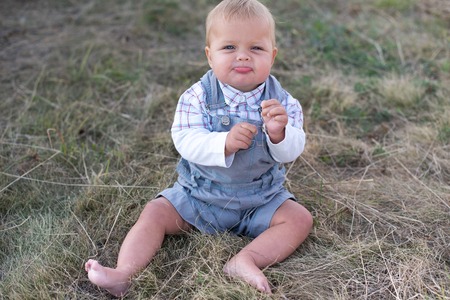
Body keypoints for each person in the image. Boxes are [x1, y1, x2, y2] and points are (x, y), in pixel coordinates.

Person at [85, 0, 313, 296]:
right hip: (199, 196)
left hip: (260, 198)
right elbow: (185, 140)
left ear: (272, 55)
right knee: (155, 212)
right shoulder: (197, 97)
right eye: (229, 47)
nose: (242, 56)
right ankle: (124, 273)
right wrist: (223, 144)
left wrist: (279, 134)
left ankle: (245, 260)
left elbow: (292, 152)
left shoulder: (283, 103)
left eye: (255, 48)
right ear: (209, 55)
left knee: (299, 219)